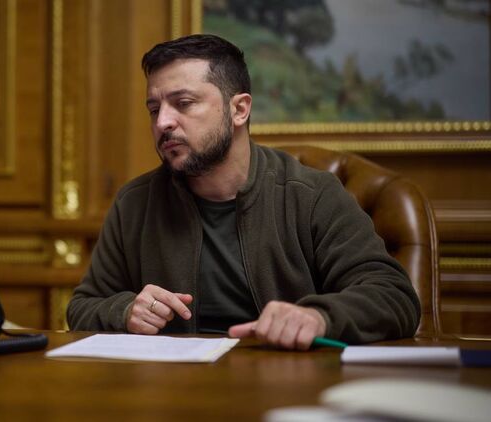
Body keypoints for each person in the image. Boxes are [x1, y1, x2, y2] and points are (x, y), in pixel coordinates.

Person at [66, 34, 420, 350]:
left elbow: (394, 296)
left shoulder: (312, 195)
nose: (162, 122)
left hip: (288, 383)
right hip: (175, 387)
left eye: (183, 103)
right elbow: (83, 307)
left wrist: (319, 317)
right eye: (154, 109)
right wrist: (125, 310)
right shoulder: (135, 202)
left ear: (239, 109)